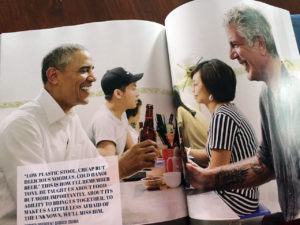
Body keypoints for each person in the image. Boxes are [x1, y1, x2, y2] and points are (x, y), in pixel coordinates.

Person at [0, 44, 157, 220]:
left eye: (92, 70)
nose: (92, 78)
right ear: (53, 76)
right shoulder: (22, 126)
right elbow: (41, 207)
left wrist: (127, 165)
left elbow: (98, 170)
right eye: (84, 70)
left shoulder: (70, 119)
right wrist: (121, 168)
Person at [187, 6, 300, 224]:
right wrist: (206, 178)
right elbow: (265, 164)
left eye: (235, 45)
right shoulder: (266, 96)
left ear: (259, 43)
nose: (231, 55)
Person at [189, 58, 259, 216]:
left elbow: (215, 173)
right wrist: (187, 151)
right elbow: (211, 156)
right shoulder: (227, 111)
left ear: (211, 86)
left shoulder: (222, 117)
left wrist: (190, 172)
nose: (192, 89)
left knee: (183, 201)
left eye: (196, 84)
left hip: (237, 197)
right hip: (244, 195)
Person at [87, 67, 153, 157]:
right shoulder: (104, 120)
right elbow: (109, 165)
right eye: (133, 88)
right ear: (118, 93)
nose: (137, 94)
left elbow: (132, 150)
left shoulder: (121, 114)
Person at [173, 86, 209, 150]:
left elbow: (175, 138)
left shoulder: (180, 110)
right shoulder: (190, 108)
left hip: (199, 153)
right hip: (209, 150)